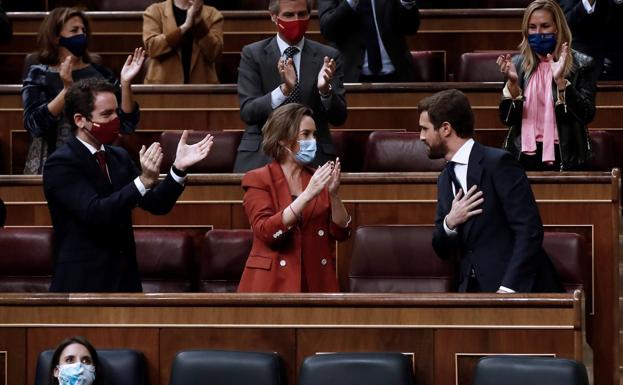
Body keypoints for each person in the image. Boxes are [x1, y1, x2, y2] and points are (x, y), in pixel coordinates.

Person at [43, 78, 214, 292]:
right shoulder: (61, 164)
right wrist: (142, 182)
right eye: (106, 114)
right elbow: (95, 212)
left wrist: (178, 169)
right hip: (83, 284)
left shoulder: (119, 156)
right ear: (80, 120)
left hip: (125, 281)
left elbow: (157, 204)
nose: (115, 119)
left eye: (116, 112)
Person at [419, 89, 562, 293]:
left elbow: (529, 230)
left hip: (515, 290)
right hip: (472, 292)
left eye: (425, 129)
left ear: (445, 129)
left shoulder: (498, 164)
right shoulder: (444, 179)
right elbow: (441, 249)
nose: (421, 137)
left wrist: (508, 289)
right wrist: (450, 223)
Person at [238, 103, 351, 292]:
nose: (312, 141)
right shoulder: (258, 179)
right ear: (282, 139)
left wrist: (333, 195)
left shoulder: (318, 177)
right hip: (272, 284)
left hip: (316, 281)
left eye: (314, 135)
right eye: (305, 134)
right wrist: (306, 196)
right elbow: (266, 231)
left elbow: (342, 233)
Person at [21, 7, 145, 174]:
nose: (81, 35)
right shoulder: (39, 74)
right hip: (52, 164)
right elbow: (34, 125)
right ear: (56, 37)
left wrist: (126, 84)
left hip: (97, 164)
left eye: (83, 30)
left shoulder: (101, 73)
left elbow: (126, 126)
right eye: (74, 30)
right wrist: (66, 90)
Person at [234, 0, 347, 173]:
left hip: (313, 156)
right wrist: (284, 91)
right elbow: (248, 112)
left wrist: (325, 91)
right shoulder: (253, 54)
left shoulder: (328, 57)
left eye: (302, 14)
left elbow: (339, 117)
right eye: (288, 15)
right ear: (273, 16)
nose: (296, 20)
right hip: (262, 155)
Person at [497, 0, 596, 171]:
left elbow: (586, 114)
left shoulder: (581, 64)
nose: (538, 33)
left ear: (557, 28)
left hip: (565, 156)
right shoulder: (518, 65)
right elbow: (507, 119)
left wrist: (562, 83)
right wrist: (513, 85)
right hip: (522, 156)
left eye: (545, 26)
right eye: (532, 27)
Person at [317, 0, 420, 82]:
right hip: (352, 78)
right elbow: (328, 30)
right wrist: (351, 2)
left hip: (396, 75)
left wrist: (407, 2)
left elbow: (411, 28)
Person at [143, 0, 224, 84]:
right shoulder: (154, 11)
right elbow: (152, 47)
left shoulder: (213, 15)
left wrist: (199, 23)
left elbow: (215, 53)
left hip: (201, 88)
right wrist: (184, 27)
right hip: (163, 88)